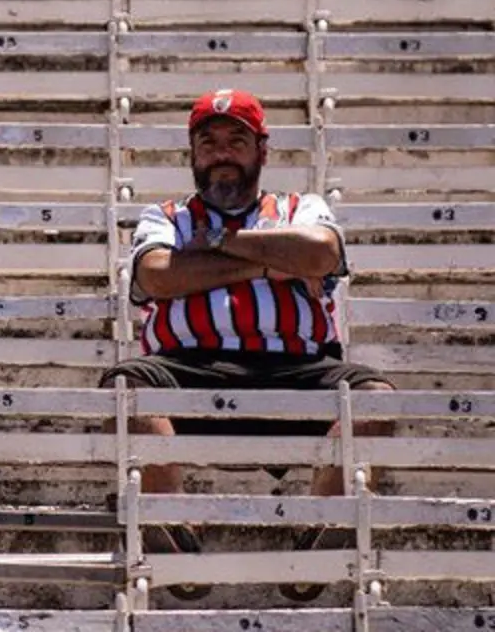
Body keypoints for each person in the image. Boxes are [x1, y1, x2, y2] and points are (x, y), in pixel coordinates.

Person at [100, 89, 395, 602]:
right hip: (186, 368)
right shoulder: (164, 216)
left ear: (262, 150)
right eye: (208, 141)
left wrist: (215, 243)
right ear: (192, 153)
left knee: (377, 398)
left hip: (296, 368)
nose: (221, 152)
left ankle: (318, 537)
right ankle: (176, 532)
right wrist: (270, 265)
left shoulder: (302, 207)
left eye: (236, 140)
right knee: (123, 388)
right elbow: (157, 275)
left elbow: (322, 253)